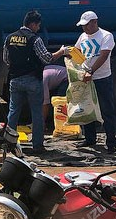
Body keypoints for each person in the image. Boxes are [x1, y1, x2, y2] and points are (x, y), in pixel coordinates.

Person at [4, 10, 68, 154]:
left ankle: (9, 144)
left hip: (15, 80)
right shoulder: (35, 39)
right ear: (32, 24)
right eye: (38, 25)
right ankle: (37, 145)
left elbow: (6, 59)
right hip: (33, 80)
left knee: (13, 112)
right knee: (37, 113)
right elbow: (47, 59)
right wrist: (61, 52)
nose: (38, 28)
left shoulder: (10, 38)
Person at [73, 10, 116, 153]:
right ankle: (90, 138)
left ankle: (111, 142)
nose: (85, 28)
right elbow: (77, 51)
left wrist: (91, 71)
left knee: (107, 110)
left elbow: (104, 56)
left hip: (102, 78)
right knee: (87, 109)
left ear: (94, 22)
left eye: (87, 25)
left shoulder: (106, 36)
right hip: (86, 79)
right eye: (83, 26)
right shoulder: (83, 36)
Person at [42, 65, 68, 132]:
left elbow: (45, 104)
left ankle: (62, 127)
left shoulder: (43, 80)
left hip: (66, 78)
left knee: (60, 103)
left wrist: (42, 123)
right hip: (56, 78)